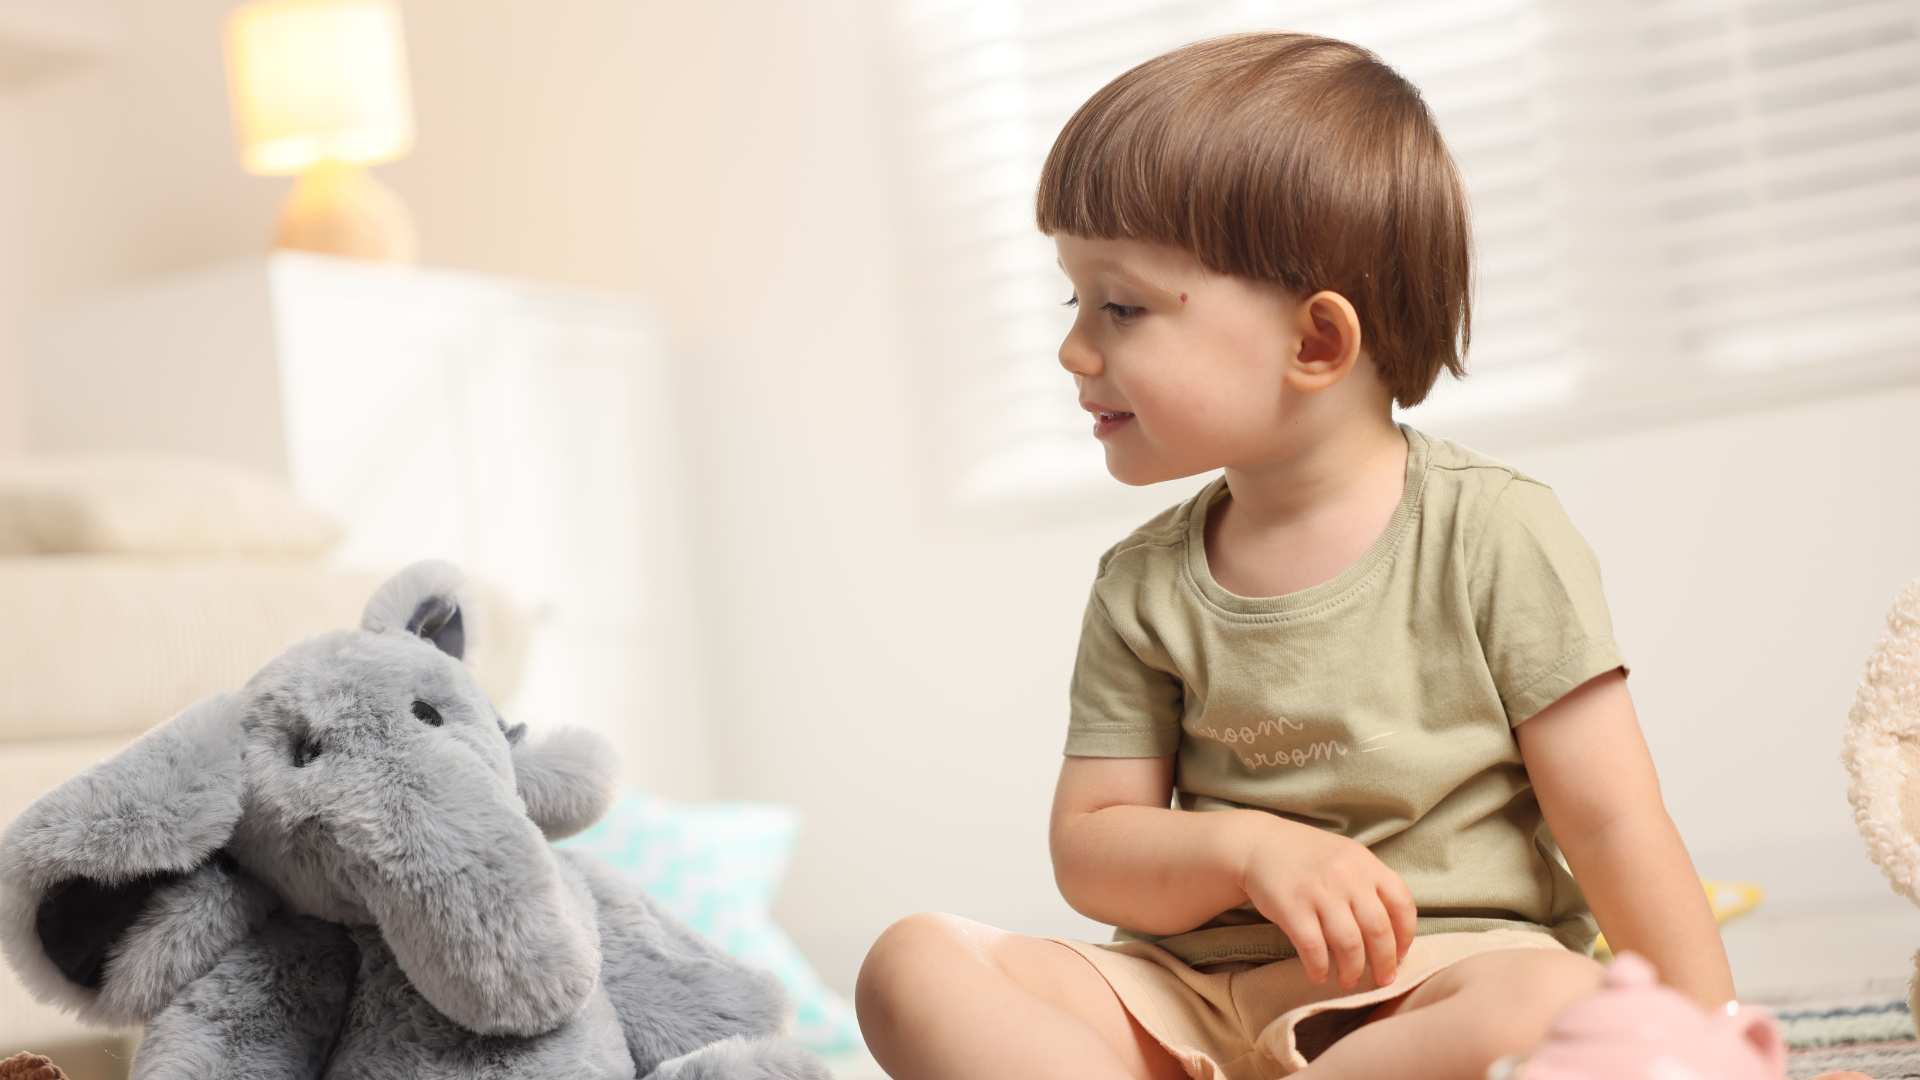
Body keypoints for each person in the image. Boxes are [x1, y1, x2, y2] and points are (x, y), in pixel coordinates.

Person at [856, 31, 1737, 1080]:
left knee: (1560, 1003)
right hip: (1189, 997)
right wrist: (1247, 852)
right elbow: (1094, 850)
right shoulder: (1143, 585)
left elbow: (1610, 820)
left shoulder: (1493, 533)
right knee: (911, 964)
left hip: (1437, 981)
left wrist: (1707, 1042)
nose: (1074, 349)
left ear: (1316, 344)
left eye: (1122, 305)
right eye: (1074, 299)